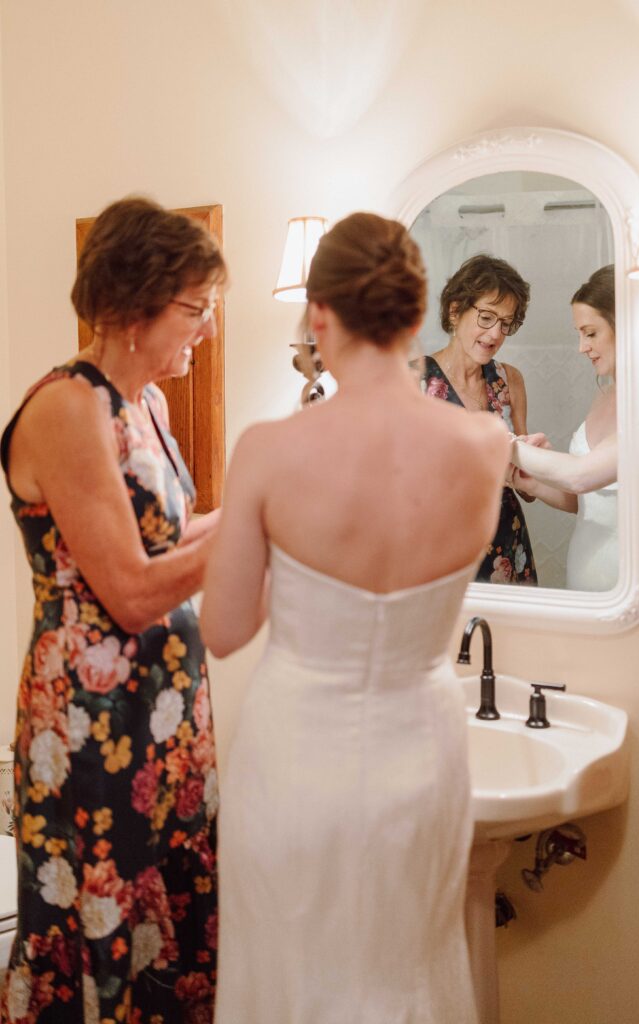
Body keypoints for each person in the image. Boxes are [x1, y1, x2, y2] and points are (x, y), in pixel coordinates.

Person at [201, 212, 509, 1023]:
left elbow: (224, 630)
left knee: (290, 969)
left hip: (297, 749)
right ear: (417, 316)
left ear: (319, 314)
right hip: (421, 746)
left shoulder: (269, 449)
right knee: (407, 963)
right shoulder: (483, 445)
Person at [0, 197, 226, 1023]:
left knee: (171, 922)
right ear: (134, 309)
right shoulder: (67, 407)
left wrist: (259, 501)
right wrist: (259, 526)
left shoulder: (146, 406)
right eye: (194, 309)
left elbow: (168, 538)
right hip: (91, 729)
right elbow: (129, 593)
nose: (206, 328)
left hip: (165, 715)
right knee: (101, 925)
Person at [420, 254, 537, 584]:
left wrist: (533, 462)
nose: (495, 334)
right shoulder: (413, 381)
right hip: (439, 548)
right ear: (455, 311)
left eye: (506, 323)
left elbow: (528, 489)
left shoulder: (510, 380)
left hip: (506, 544)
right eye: (486, 318)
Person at [510, 265, 617, 591]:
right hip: (583, 577)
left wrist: (504, 445)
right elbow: (581, 499)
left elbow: (580, 475)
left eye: (591, 333)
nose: (582, 347)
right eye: (579, 334)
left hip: (625, 584)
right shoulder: (605, 394)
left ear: (625, 325)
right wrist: (533, 481)